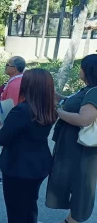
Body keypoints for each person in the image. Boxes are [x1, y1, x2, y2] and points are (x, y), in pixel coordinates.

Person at [0, 68, 57, 223]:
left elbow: (2, 138)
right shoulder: (49, 108)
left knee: (16, 211)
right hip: (40, 164)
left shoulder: (22, 110)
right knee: (29, 206)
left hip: (18, 167)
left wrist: (3, 124)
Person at [46, 54, 97, 223]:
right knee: (73, 184)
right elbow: (69, 102)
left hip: (82, 150)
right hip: (74, 146)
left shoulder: (94, 92)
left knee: (81, 187)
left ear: (88, 70)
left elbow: (84, 119)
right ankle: (69, 220)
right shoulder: (87, 89)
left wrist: (58, 113)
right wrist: (55, 95)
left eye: (81, 67)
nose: (79, 70)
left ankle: (75, 218)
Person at [0, 56, 26, 185]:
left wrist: (5, 124)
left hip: (8, 122)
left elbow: (11, 107)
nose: (5, 66)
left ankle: (5, 175)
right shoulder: (17, 80)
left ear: (14, 69)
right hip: (12, 121)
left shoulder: (15, 84)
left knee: (7, 149)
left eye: (7, 64)